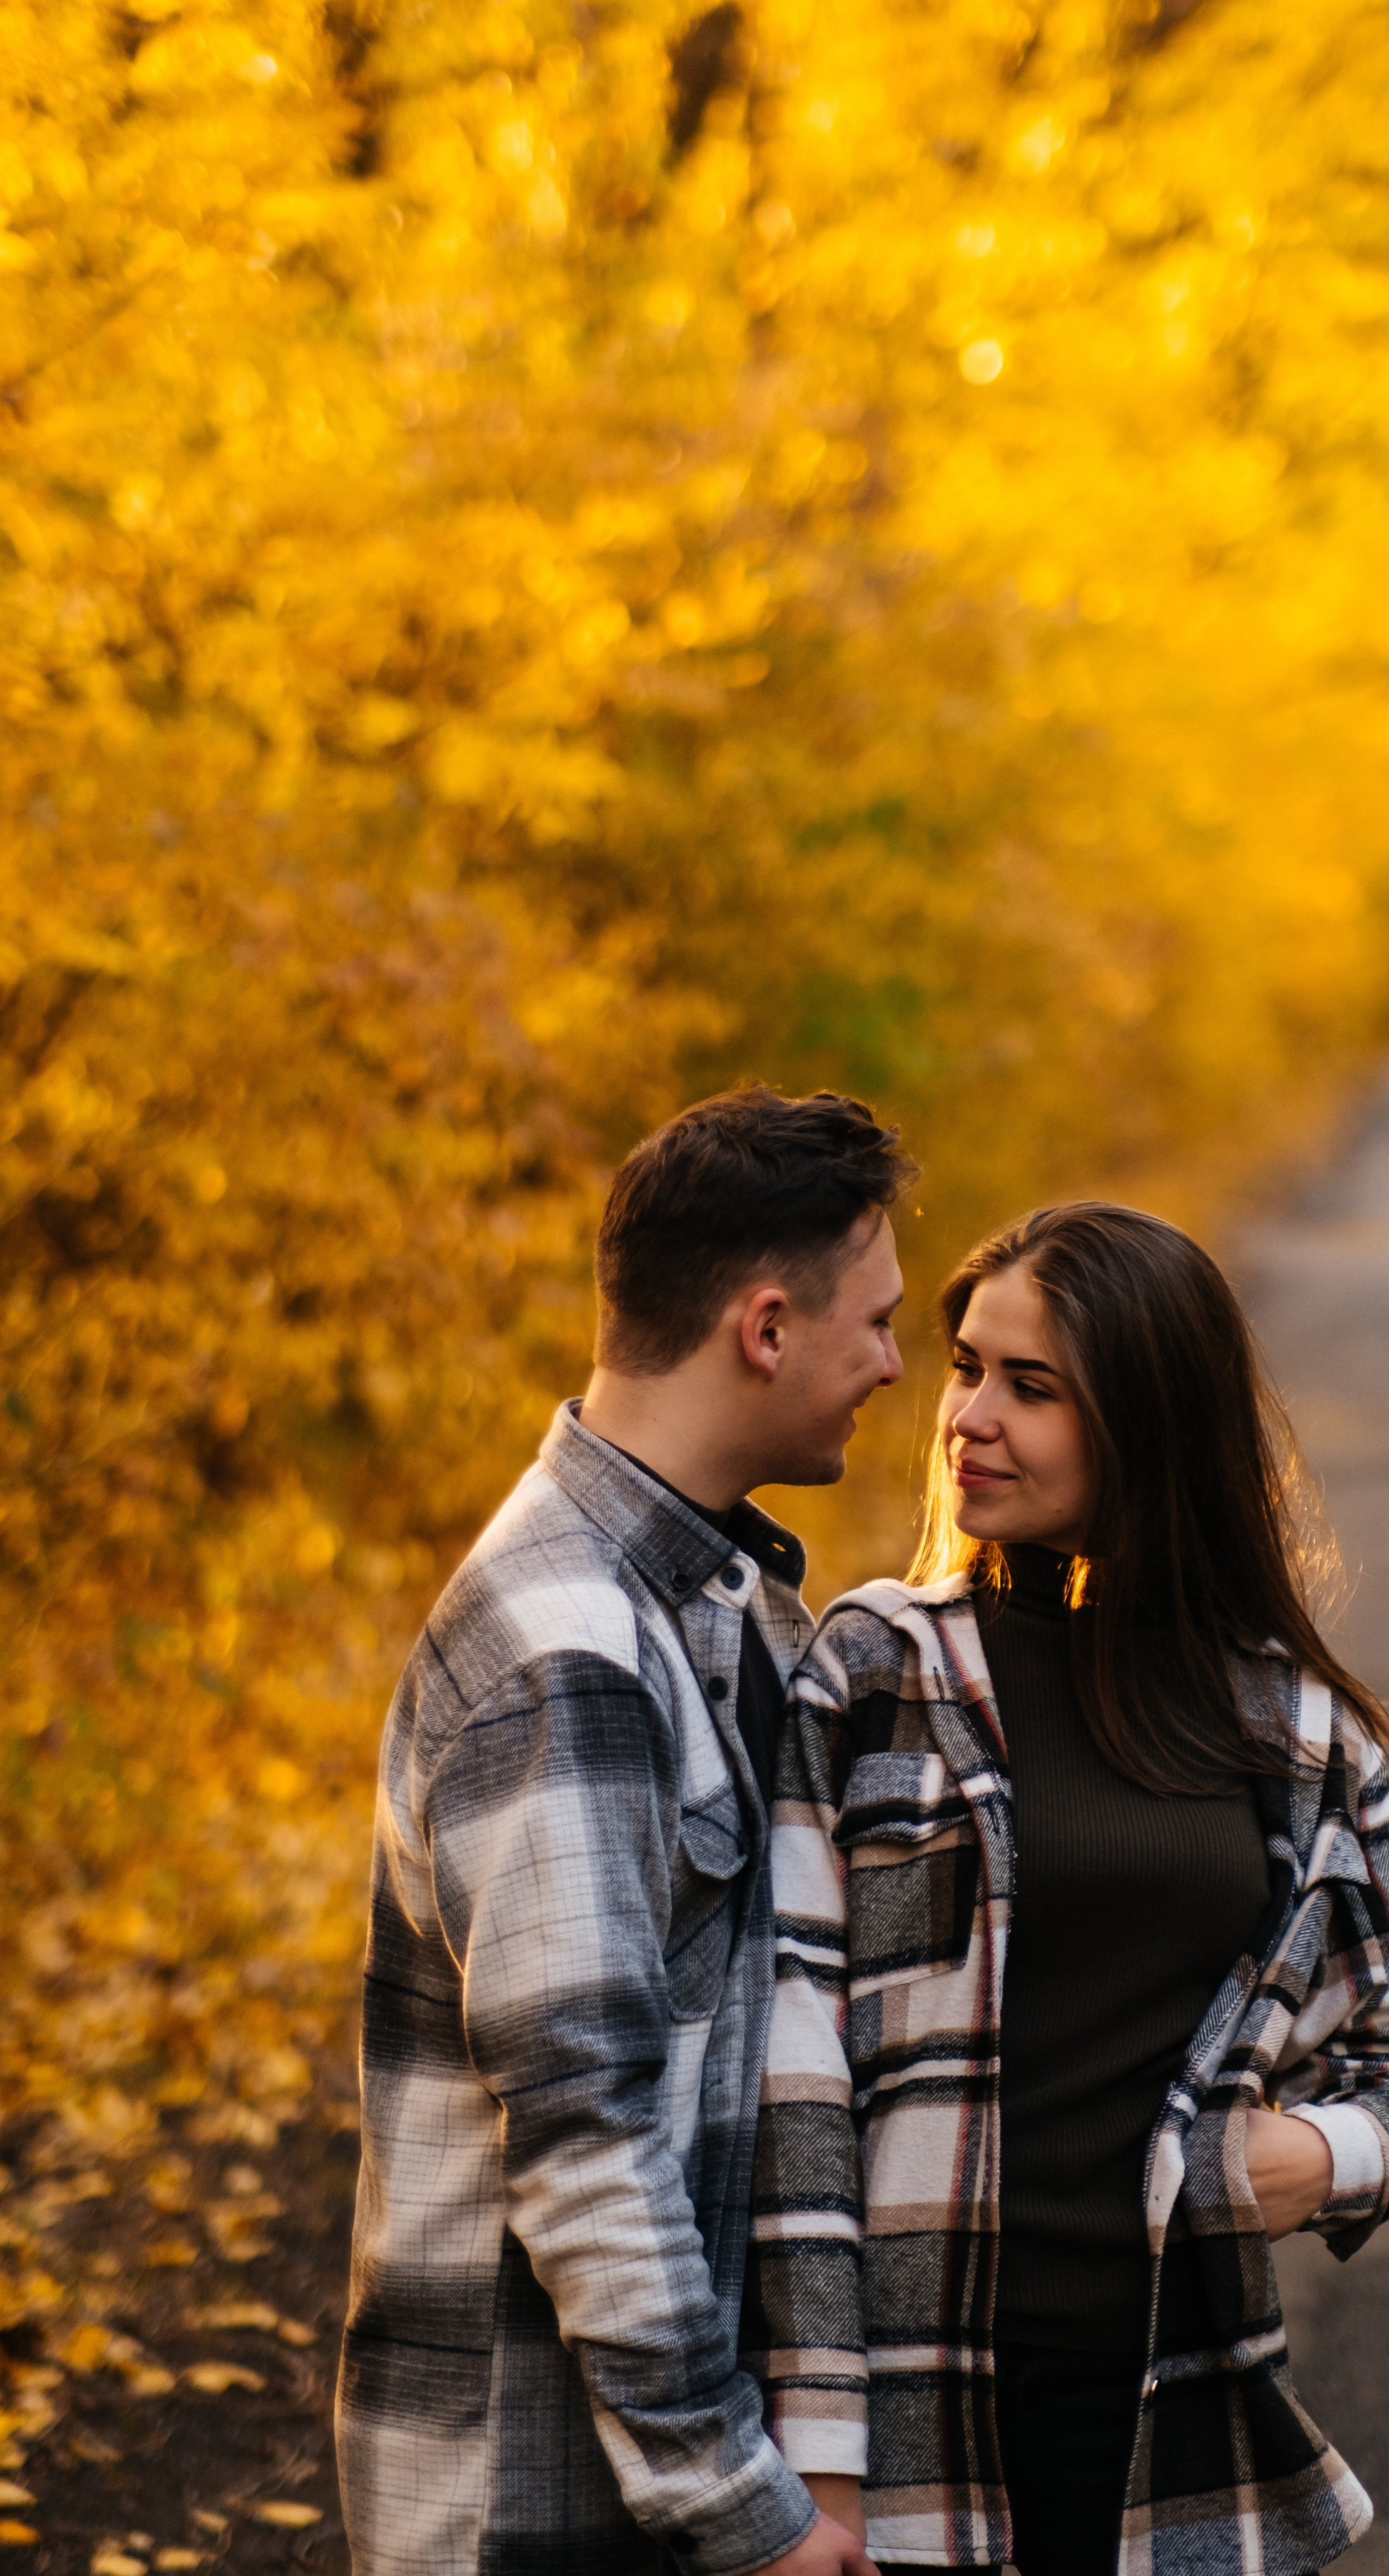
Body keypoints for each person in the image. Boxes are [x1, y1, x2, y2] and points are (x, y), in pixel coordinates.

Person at [745, 1201, 1389, 2576]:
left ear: (1149, 1424)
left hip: (1177, 2411)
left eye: (1033, 1386)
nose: (969, 1417)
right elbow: (797, 2085)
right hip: (912, 2413)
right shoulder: (875, 1674)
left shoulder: (1294, 1736)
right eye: (966, 1367)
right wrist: (820, 2457)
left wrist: (1319, 2159)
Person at [337, 1086, 916, 2576]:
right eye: (875, 1321)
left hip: (618, 2487)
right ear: (766, 1328)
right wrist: (745, 2507)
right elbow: (587, 2137)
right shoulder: (569, 1652)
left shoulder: (706, 1604)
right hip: (535, 2506)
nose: (894, 1364)